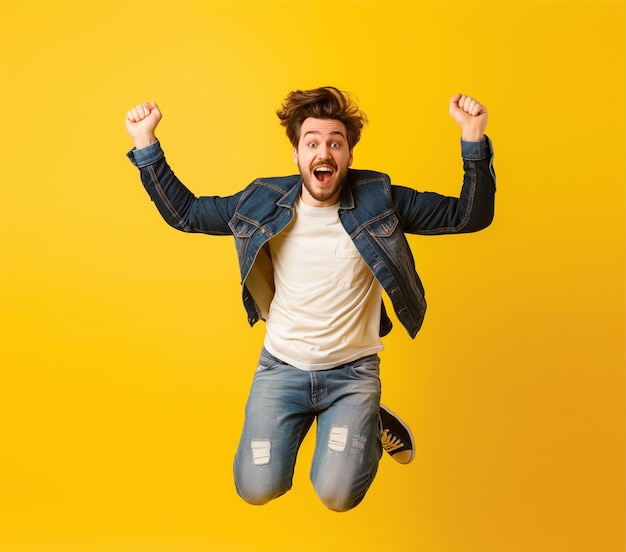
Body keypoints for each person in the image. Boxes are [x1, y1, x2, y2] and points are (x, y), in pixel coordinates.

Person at [125, 87, 495, 512]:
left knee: (337, 495)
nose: (325, 152)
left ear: (349, 156)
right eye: (313, 143)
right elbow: (187, 214)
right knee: (256, 488)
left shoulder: (381, 198)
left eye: (335, 143)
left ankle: (367, 418)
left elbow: (469, 216)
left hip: (351, 376)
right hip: (281, 371)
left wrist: (473, 137)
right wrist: (145, 144)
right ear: (297, 156)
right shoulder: (260, 201)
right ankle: (361, 420)